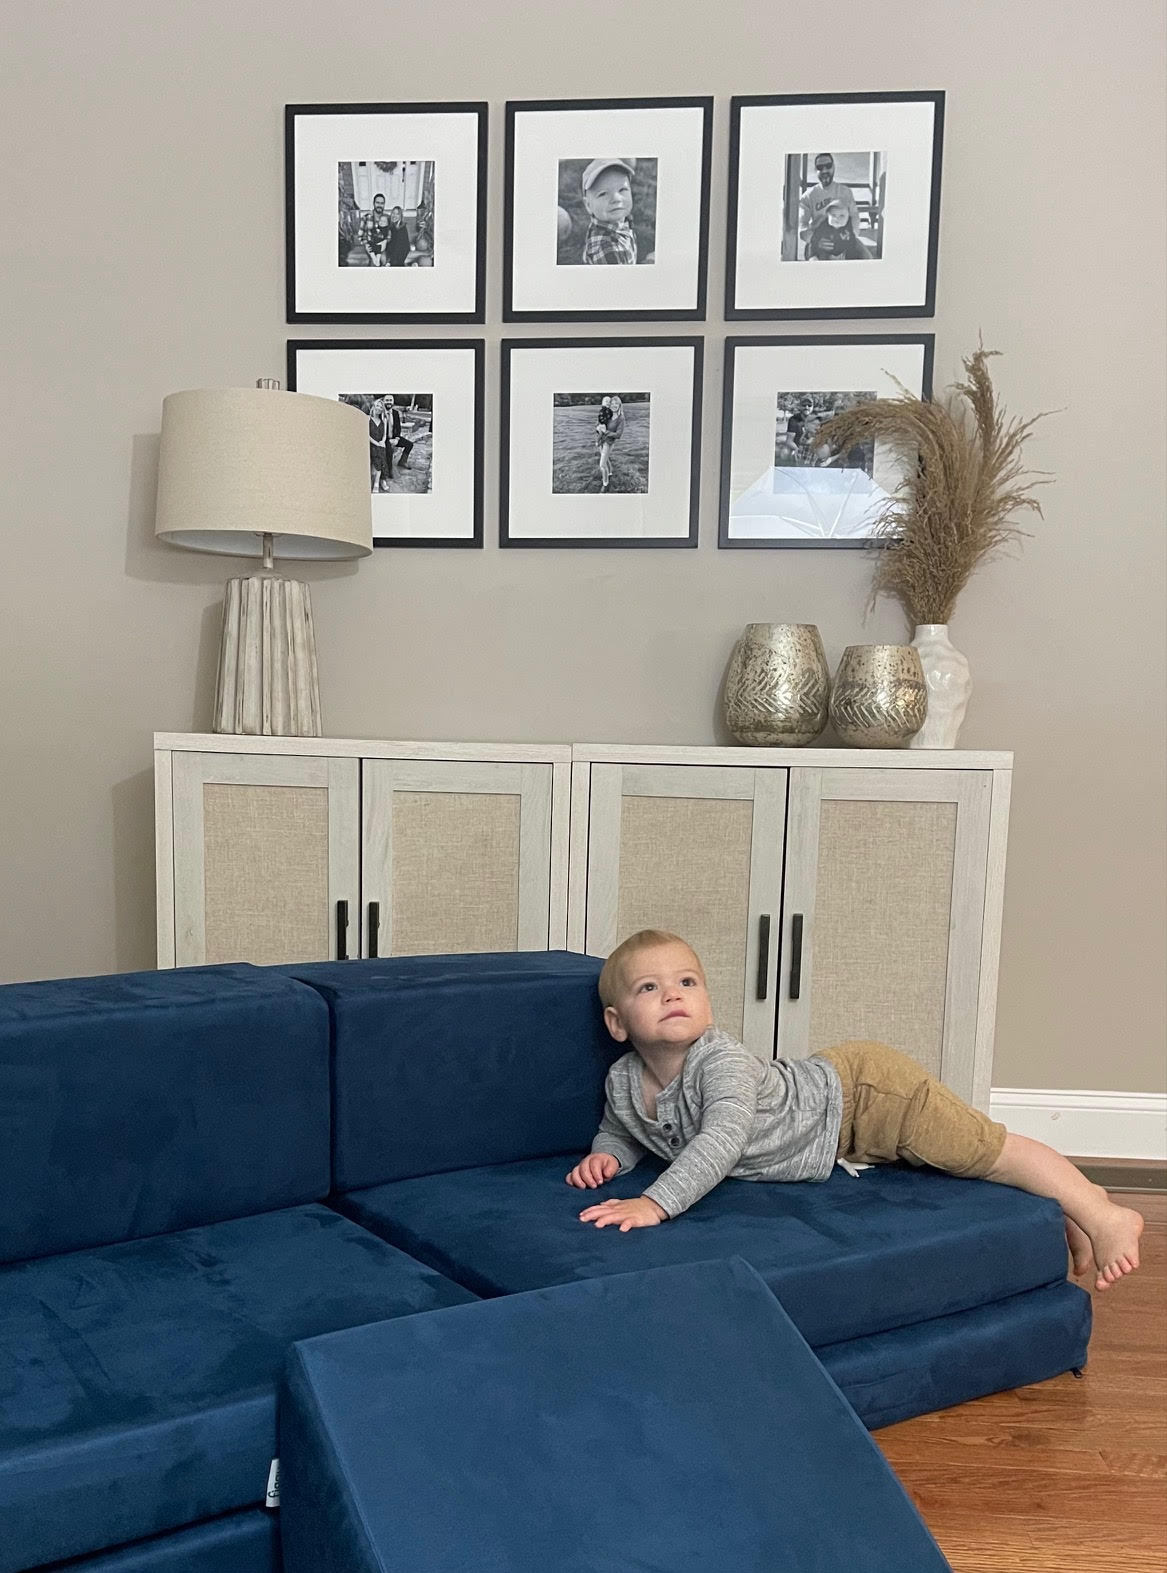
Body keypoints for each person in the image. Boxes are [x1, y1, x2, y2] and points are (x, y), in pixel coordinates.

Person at [566, 929, 1144, 1293]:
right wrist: (607, 1157)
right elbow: (624, 1128)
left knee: (984, 1151)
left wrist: (655, 1202)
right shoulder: (624, 1081)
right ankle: (1077, 1204)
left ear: (707, 1002)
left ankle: (1105, 1214)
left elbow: (722, 1139)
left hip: (862, 1095)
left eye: (687, 981)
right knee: (968, 1161)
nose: (672, 994)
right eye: (649, 988)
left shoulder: (721, 1061)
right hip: (838, 1133)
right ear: (617, 1023)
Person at [798, 154, 862, 257]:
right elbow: (802, 226)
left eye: (828, 166)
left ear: (834, 167)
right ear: (816, 170)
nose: (824, 170)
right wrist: (815, 240)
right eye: (820, 167)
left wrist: (849, 236)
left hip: (845, 239)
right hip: (818, 242)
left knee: (867, 256)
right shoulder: (808, 196)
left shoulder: (845, 192)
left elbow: (854, 216)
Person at [580, 158, 638, 264]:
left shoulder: (620, 219)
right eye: (603, 194)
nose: (616, 198)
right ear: (588, 205)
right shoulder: (606, 249)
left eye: (622, 189)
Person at [805, 199, 871, 261]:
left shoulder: (848, 225)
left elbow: (852, 240)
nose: (837, 219)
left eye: (842, 216)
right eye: (833, 215)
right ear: (827, 215)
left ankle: (868, 263)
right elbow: (813, 242)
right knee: (820, 253)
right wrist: (812, 256)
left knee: (856, 248)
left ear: (848, 216)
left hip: (843, 252)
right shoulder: (823, 227)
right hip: (825, 253)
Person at [594, 394, 624, 492]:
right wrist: (597, 428)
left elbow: (618, 435)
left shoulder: (620, 418)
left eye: (616, 404)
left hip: (609, 442)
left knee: (602, 465)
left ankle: (605, 483)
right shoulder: (608, 413)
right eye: (612, 403)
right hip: (601, 440)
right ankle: (610, 472)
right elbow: (598, 423)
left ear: (619, 405)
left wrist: (605, 432)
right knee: (606, 459)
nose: (614, 405)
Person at [359, 193, 392, 266]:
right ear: (373, 203)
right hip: (370, 245)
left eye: (382, 203)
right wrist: (366, 244)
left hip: (382, 245)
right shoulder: (366, 217)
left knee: (383, 259)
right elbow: (360, 235)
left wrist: (385, 241)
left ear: (384, 205)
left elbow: (389, 234)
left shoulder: (387, 218)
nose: (379, 205)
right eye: (377, 203)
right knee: (373, 262)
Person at [368, 398, 393, 491]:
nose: (379, 408)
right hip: (371, 444)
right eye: (377, 406)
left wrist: (382, 441)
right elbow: (367, 435)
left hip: (380, 444)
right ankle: (381, 480)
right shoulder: (368, 418)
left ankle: (377, 482)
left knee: (381, 454)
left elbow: (385, 435)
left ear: (382, 409)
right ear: (374, 406)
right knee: (380, 455)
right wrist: (376, 443)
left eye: (381, 407)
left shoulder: (384, 420)